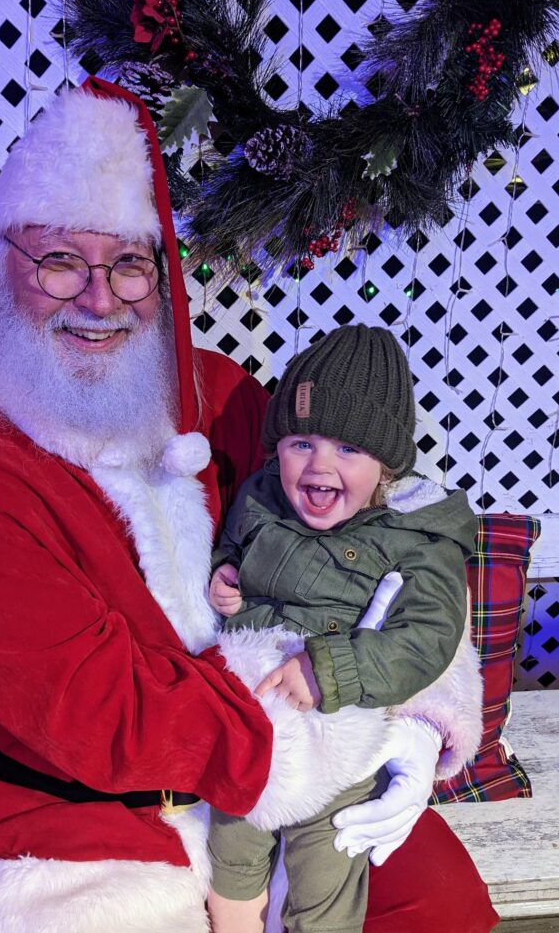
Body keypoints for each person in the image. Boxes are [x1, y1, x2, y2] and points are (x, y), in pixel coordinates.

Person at [0, 77, 499, 933]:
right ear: (2, 267)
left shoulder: (223, 395)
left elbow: (396, 531)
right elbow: (92, 706)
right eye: (60, 259)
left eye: (129, 263)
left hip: (300, 781)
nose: (99, 299)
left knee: (440, 907)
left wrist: (421, 714)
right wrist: (333, 731)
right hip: (79, 831)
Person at [205, 323, 479, 933]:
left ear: (385, 466)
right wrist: (224, 571)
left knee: (326, 874)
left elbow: (428, 637)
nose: (318, 464)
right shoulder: (261, 495)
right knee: (231, 858)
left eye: (349, 450)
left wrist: (329, 670)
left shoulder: (418, 536)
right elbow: (234, 542)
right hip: (249, 726)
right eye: (300, 441)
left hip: (341, 739)